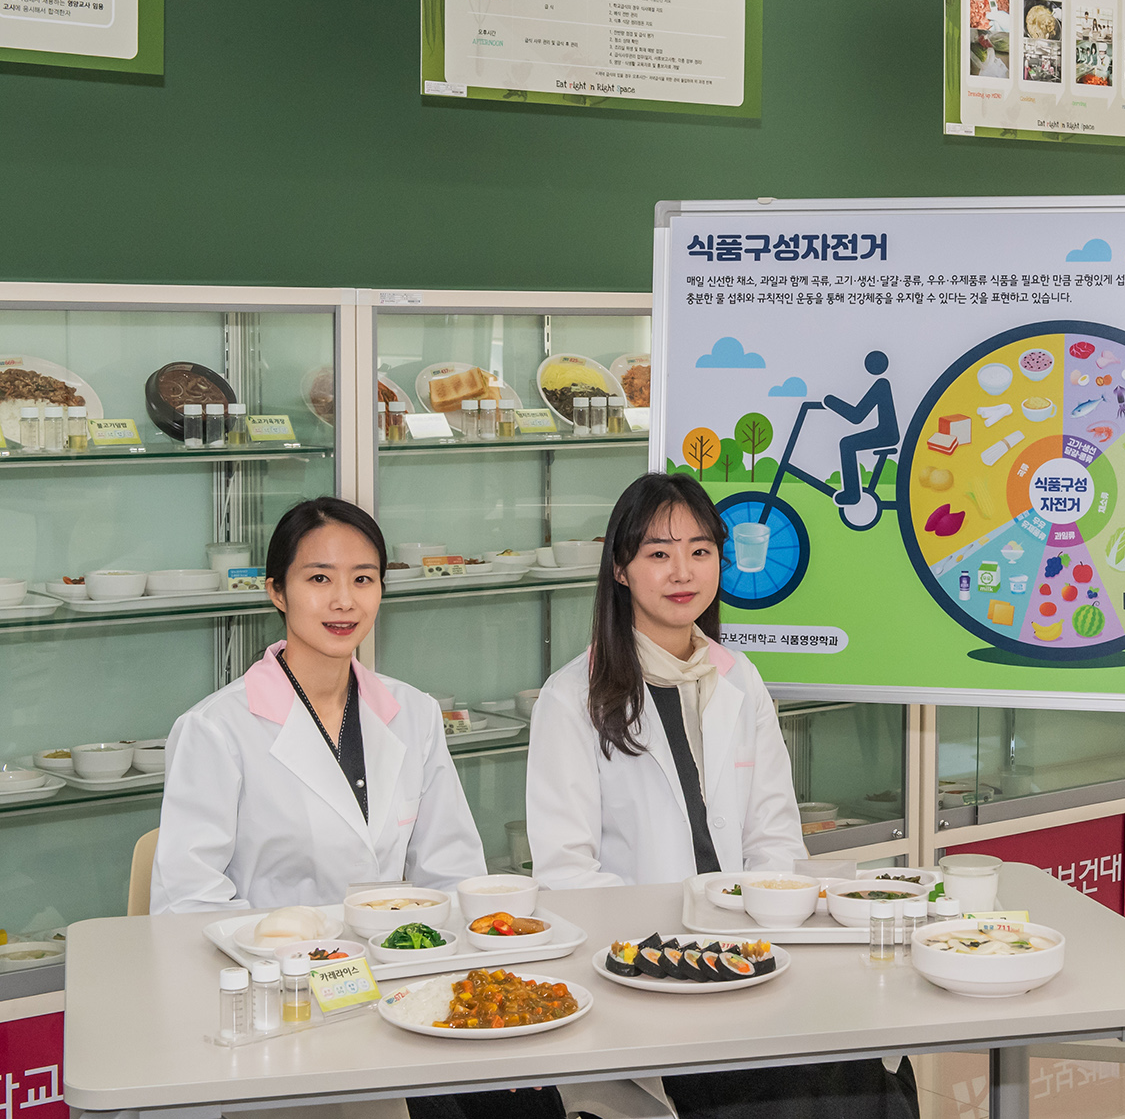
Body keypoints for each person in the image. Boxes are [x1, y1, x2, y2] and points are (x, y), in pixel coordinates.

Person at [527, 472, 918, 1119]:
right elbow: (566, 871)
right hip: (650, 970)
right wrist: (682, 949)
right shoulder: (572, 697)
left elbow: (775, 836)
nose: (683, 571)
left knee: (860, 1062)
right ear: (620, 568)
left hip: (755, 954)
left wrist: (760, 931)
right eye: (658, 552)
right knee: (779, 1091)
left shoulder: (739, 679)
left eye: (701, 550)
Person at [153, 497, 486, 912]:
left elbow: (454, 873)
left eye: (362, 579)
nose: (344, 601)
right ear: (277, 592)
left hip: (391, 946)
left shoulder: (415, 713)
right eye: (319, 579)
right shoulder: (215, 729)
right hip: (269, 951)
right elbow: (187, 902)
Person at [824, 350, 898, 507]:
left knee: (847, 444)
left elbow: (857, 416)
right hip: (885, 431)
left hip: (886, 433)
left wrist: (830, 401)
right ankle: (852, 492)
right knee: (847, 443)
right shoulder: (882, 384)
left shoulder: (881, 385)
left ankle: (852, 494)